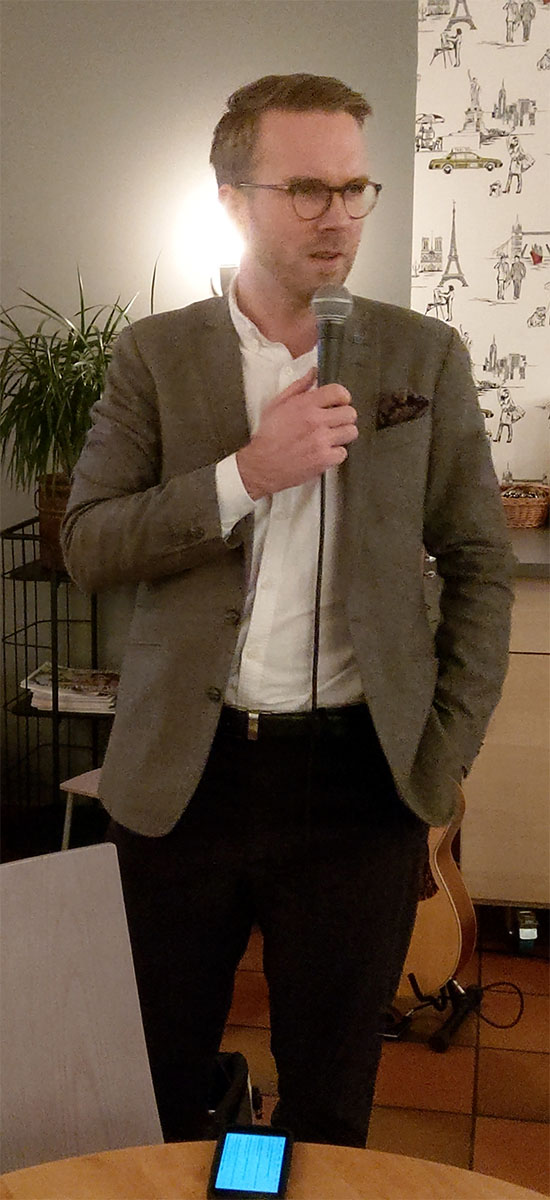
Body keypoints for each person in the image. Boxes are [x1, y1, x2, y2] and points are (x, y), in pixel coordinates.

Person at [61, 73, 514, 1149]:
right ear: (232, 198)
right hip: (185, 777)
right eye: (307, 188)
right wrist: (245, 475)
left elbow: (480, 565)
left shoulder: (422, 355)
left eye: (355, 188)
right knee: (158, 1082)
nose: (339, 215)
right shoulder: (156, 356)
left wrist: (439, 760)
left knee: (332, 1094)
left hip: (360, 783)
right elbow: (88, 545)